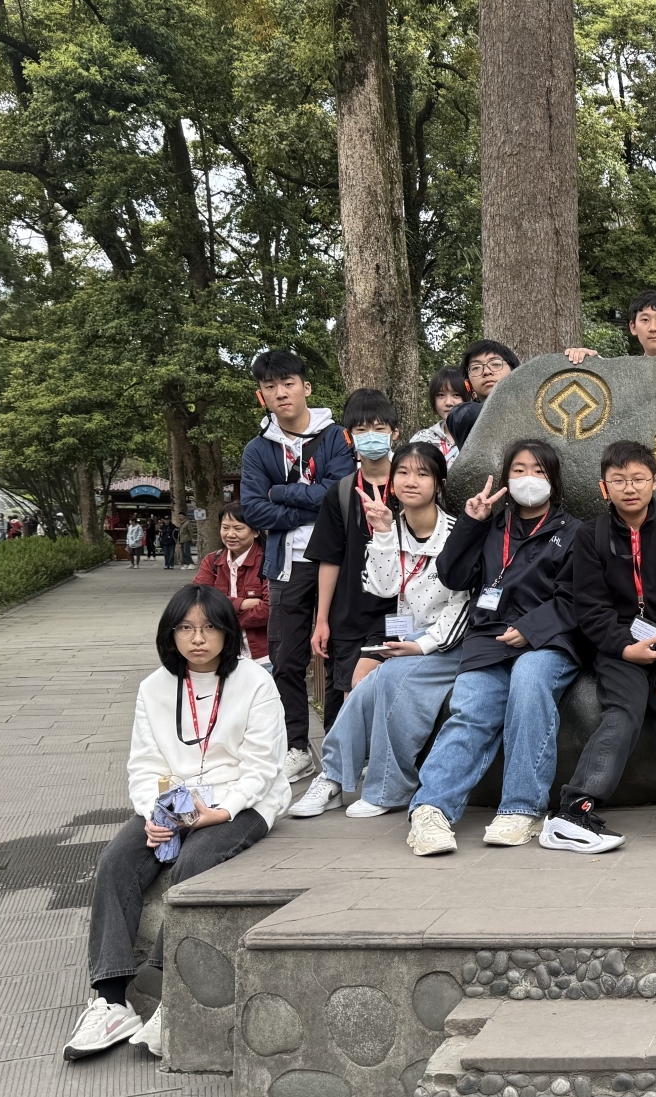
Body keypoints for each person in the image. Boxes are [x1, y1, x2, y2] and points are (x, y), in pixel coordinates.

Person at [64, 585, 289, 1062]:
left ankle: (168, 992)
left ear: (227, 632)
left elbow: (262, 766)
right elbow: (144, 763)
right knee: (116, 861)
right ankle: (111, 1001)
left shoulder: (255, 682)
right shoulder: (154, 687)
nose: (198, 638)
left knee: (195, 861)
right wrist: (153, 813)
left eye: (209, 627)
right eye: (186, 627)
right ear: (171, 634)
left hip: (240, 800)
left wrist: (222, 811)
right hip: (174, 800)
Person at [541, 441, 656, 856]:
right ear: (603, 487)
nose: (630, 488)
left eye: (639, 479)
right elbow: (590, 608)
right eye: (619, 480)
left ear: (654, 482)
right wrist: (626, 649)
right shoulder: (590, 536)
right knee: (623, 713)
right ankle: (573, 812)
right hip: (619, 651)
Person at [407, 438, 582, 855]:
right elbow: (452, 576)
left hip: (548, 640)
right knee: (472, 708)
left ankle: (522, 807)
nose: (528, 479)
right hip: (488, 639)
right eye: (519, 470)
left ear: (554, 481)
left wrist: (531, 629)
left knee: (529, 681)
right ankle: (430, 809)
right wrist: (471, 523)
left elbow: (578, 597)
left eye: (538, 471)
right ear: (505, 478)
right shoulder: (490, 525)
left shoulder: (574, 531)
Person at [289, 443, 471, 818]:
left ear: (439, 483)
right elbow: (383, 588)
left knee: (388, 677)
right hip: (407, 637)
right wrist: (384, 533)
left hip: (450, 642)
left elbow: (463, 606)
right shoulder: (391, 529)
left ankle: (389, 789)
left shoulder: (457, 533)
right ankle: (333, 777)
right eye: (402, 472)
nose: (411, 481)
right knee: (364, 689)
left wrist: (421, 646)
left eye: (422, 473)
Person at [239, 349, 357, 781]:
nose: (281, 393)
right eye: (270, 386)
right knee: (286, 659)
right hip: (285, 564)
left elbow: (339, 494)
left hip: (335, 561)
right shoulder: (257, 449)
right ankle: (296, 747)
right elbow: (253, 510)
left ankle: (339, 747)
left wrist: (279, 493)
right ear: (261, 395)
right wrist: (309, 503)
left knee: (340, 656)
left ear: (306, 387)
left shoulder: (337, 437)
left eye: (288, 383)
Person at [306, 388, 402, 732]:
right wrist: (322, 620)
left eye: (379, 428)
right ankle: (339, 761)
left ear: (394, 433)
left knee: (394, 702)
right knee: (344, 700)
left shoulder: (412, 486)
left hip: (400, 614)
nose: (370, 436)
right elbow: (329, 559)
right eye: (361, 429)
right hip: (349, 615)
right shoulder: (341, 491)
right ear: (349, 436)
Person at [193, 511, 270, 662]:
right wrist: (240, 604)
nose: (230, 534)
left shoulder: (269, 561)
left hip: (263, 657)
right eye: (225, 528)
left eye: (238, 528)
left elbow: (270, 609)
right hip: (219, 655)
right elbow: (198, 599)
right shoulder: (211, 561)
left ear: (255, 532)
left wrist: (220, 619)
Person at [444, 339, 520, 450]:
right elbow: (469, 415)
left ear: (515, 372)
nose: (486, 372)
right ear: (468, 383)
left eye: (496, 364)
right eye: (476, 368)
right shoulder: (462, 415)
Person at [414, 366, 468, 465]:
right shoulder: (422, 439)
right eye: (441, 395)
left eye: (456, 395)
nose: (448, 403)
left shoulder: (480, 436)